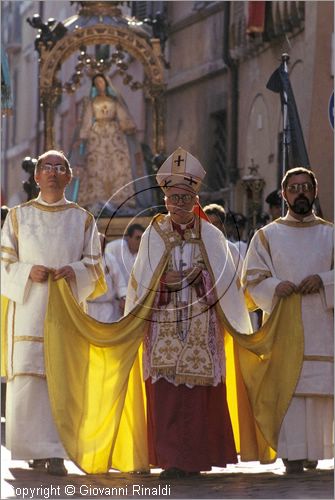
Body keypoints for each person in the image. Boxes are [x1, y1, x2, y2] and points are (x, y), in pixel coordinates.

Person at [126, 147, 253, 478]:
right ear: (165, 200)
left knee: (197, 395)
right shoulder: (154, 233)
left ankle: (196, 459)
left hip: (201, 322)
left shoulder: (211, 234)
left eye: (185, 198)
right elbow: (141, 281)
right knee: (166, 394)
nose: (179, 204)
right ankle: (169, 459)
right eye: (174, 198)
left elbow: (227, 281)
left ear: (195, 198)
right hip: (164, 323)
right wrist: (164, 282)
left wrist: (202, 278)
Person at [1, 150, 105, 476]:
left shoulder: (83, 219)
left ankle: (58, 452)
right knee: (32, 379)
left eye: (60, 167)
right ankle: (33, 449)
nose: (53, 173)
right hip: (29, 307)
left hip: (66, 310)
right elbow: (4, 264)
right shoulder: (17, 217)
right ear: (37, 176)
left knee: (63, 378)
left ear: (69, 177)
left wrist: (75, 272)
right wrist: (26, 272)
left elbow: (96, 268)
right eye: (47, 167)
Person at [243, 167, 334, 474]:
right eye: (294, 188)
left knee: (317, 393)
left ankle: (316, 452)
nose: (301, 193)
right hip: (282, 328)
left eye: (306, 187)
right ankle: (292, 453)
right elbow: (252, 278)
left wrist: (323, 280)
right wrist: (273, 286)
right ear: (284, 195)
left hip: (321, 326)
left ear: (315, 191)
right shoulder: (267, 236)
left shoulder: (330, 234)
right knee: (290, 391)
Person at [75, 73, 137, 211]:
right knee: (95, 164)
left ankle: (120, 198)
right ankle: (96, 198)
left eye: (101, 82)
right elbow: (87, 120)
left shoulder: (114, 101)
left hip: (114, 135)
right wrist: (81, 137)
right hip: (96, 136)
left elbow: (122, 115)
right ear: (94, 86)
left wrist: (127, 125)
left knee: (117, 164)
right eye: (97, 83)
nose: (99, 85)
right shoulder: (91, 102)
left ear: (106, 83)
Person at [105, 223, 144, 318]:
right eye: (137, 238)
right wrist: (122, 297)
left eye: (142, 238)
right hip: (113, 301)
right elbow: (107, 274)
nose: (140, 241)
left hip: (135, 302)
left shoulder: (145, 254)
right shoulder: (113, 248)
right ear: (128, 238)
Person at [87, 234, 127, 322]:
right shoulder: (83, 260)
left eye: (102, 244)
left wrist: (123, 298)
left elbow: (119, 282)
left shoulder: (110, 259)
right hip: (87, 307)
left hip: (107, 309)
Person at [203, 203, 244, 278]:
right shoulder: (197, 249)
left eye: (215, 224)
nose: (211, 227)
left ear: (222, 225)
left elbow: (241, 275)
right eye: (207, 223)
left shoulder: (231, 250)